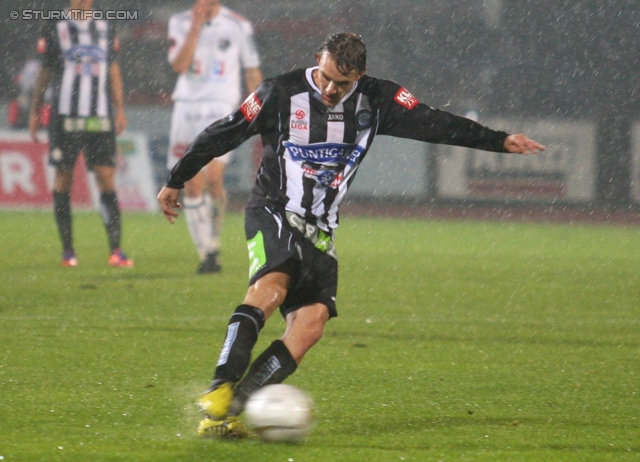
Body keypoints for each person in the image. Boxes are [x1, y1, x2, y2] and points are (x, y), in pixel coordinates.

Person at [157, 32, 545, 438]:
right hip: (272, 209)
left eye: (341, 83)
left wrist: (499, 140)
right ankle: (220, 386)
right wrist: (176, 180)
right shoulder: (280, 92)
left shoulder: (379, 100)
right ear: (316, 62)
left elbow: (436, 123)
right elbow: (225, 131)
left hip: (320, 228)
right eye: (324, 77)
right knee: (270, 287)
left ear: (360, 75)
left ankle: (230, 412)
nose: (329, 89)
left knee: (310, 325)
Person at [29, 0, 133, 268]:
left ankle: (116, 251)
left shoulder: (106, 26)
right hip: (64, 117)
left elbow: (113, 69)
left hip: (99, 118)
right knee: (63, 177)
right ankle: (68, 252)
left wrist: (120, 109)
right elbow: (45, 71)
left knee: (106, 177)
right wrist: (35, 110)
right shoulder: (54, 26)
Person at [167, 0, 262, 274]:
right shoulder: (180, 22)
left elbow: (251, 69)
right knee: (192, 184)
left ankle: (214, 240)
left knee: (213, 178)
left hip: (221, 107)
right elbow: (179, 65)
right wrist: (195, 27)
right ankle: (207, 252)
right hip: (186, 106)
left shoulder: (238, 25)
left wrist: (260, 108)